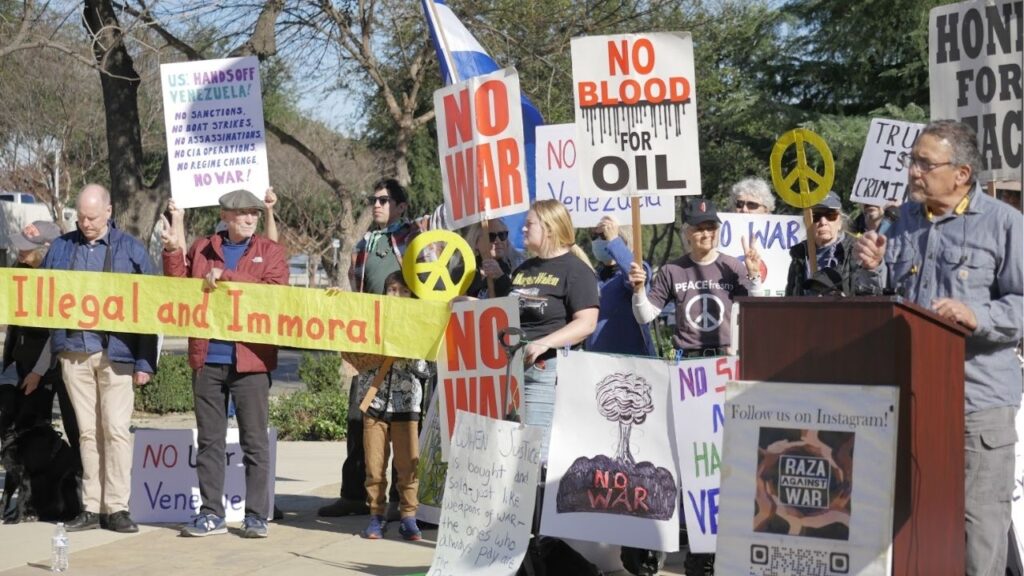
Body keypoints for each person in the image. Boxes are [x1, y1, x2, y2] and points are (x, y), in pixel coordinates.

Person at [854, 120, 1022, 576]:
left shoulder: (1005, 224)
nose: (912, 172)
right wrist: (871, 269)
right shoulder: (903, 222)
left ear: (962, 173)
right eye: (912, 161)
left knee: (979, 529)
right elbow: (883, 294)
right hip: (911, 396)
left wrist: (977, 317)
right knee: (917, 525)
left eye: (925, 163)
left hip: (978, 401)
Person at [162, 190, 287, 538]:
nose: (250, 219)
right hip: (208, 358)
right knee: (210, 442)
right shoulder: (202, 247)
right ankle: (211, 513)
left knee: (254, 442)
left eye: (254, 214)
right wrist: (173, 249)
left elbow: (275, 290)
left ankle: (257, 515)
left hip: (252, 359)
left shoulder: (270, 251)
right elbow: (178, 287)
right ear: (225, 216)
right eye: (243, 213)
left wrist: (228, 278)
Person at [41, 184, 157, 533]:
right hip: (74, 353)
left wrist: (145, 362)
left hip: (117, 354)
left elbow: (151, 306)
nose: (86, 223)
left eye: (92, 216)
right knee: (88, 433)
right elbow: (40, 296)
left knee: (116, 430)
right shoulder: (61, 248)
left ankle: (117, 507)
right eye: (81, 217)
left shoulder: (131, 250)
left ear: (109, 212)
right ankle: (91, 507)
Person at [320, 178, 420, 519]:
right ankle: (353, 494)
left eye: (384, 200)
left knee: (402, 423)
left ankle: (396, 500)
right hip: (369, 345)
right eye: (372, 199)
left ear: (401, 206)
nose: (376, 205)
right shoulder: (364, 243)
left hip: (405, 345)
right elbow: (357, 290)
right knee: (358, 418)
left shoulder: (416, 240)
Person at [495, 199, 599, 461]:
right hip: (510, 371)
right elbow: (503, 312)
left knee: (535, 456)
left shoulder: (577, 271)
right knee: (508, 453)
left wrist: (544, 343)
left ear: (550, 228)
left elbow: (586, 323)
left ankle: (537, 503)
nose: (523, 229)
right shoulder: (522, 271)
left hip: (546, 372)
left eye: (529, 224)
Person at [1, 221, 82, 522]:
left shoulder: (58, 277)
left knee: (41, 439)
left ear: (46, 249)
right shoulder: (19, 270)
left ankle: (49, 500)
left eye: (26, 247)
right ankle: (18, 501)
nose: (19, 251)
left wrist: (37, 373)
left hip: (45, 369)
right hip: (18, 363)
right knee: (14, 436)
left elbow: (55, 333)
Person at [345, 272, 428, 541]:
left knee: (408, 464)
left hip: (406, 403)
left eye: (403, 291)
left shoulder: (422, 323)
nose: (396, 295)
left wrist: (409, 349)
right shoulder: (370, 321)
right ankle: (376, 516)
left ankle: (408, 516)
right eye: (391, 289)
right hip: (375, 401)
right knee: (374, 464)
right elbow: (353, 354)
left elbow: (427, 367)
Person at [630, 197, 761, 359]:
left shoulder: (732, 266)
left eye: (711, 227)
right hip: (687, 363)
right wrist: (639, 290)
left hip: (726, 360)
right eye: (699, 229)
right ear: (687, 233)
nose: (706, 234)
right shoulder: (671, 271)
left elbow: (756, 311)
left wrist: (754, 276)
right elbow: (644, 316)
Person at [584, 215, 655, 356]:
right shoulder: (593, 275)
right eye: (594, 236)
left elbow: (634, 273)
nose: (598, 241)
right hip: (597, 362)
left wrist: (614, 241)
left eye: (604, 235)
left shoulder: (640, 269)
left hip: (632, 361)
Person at [784, 192, 857, 296]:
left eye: (830, 215)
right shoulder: (799, 256)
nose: (823, 222)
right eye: (816, 216)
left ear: (840, 222)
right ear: (807, 222)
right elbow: (790, 299)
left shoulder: (855, 251)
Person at [462, 218, 524, 299]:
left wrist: (500, 277)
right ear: (476, 242)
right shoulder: (463, 272)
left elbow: (519, 301)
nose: (498, 241)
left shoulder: (518, 267)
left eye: (502, 235)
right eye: (491, 236)